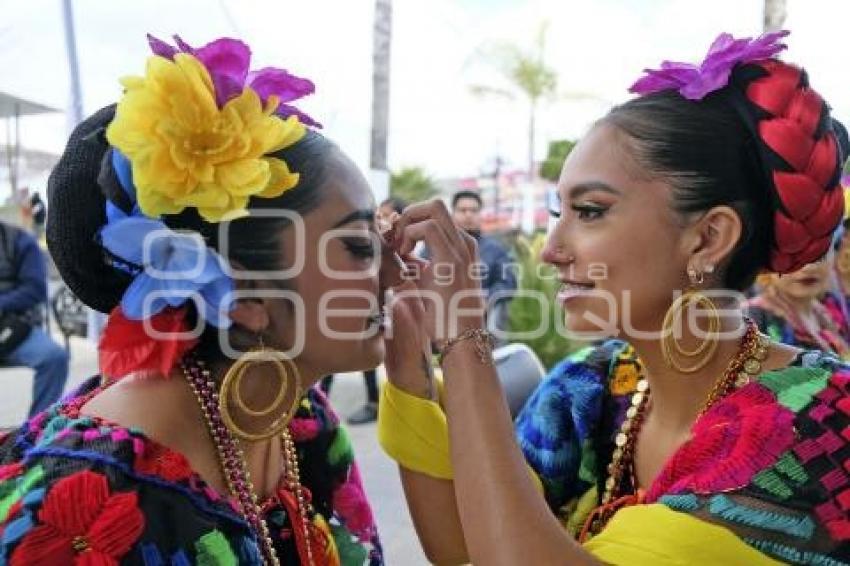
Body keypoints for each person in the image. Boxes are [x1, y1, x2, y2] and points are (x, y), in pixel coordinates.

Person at [378, 31, 850, 564]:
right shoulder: (591, 387)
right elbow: (460, 541)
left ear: (709, 238)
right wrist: (410, 353)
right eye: (560, 213)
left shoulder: (825, 420)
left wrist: (465, 339)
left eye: (591, 211)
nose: (550, 252)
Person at [0, 35, 386, 565]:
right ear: (245, 294)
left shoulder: (298, 415)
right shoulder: (84, 512)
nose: (402, 271)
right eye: (362, 246)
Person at [0, 219, 69, 416]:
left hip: (15, 327)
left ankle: (37, 427)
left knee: (54, 357)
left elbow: (35, 289)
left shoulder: (20, 240)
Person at [449, 190, 517, 341]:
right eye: (462, 210)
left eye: (474, 210)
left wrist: (486, 298)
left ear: (480, 214)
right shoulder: (435, 247)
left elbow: (508, 283)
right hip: (443, 319)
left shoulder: (495, 249)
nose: (468, 215)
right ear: (452, 214)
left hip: (482, 322)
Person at [747, 262, 850, 358]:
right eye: (795, 259)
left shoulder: (826, 313)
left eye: (819, 258)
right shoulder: (752, 316)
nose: (808, 267)